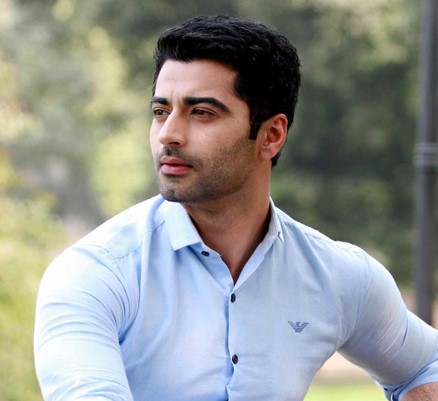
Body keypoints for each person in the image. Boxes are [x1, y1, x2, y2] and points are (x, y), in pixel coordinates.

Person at [34, 15, 438, 401]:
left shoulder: (336, 276)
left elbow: (426, 366)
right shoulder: (96, 274)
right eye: (160, 112)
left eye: (202, 113)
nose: (168, 134)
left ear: (271, 135)